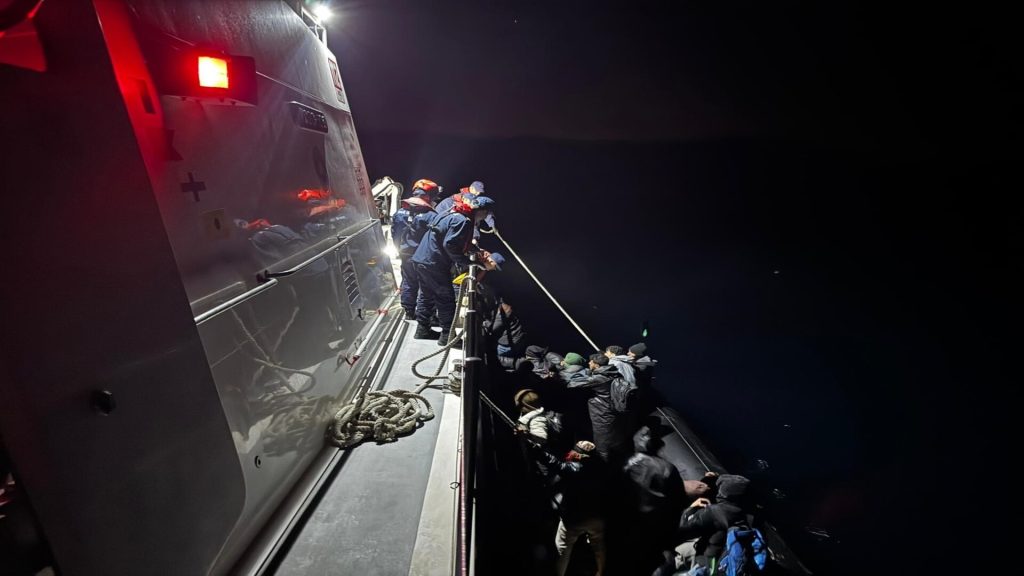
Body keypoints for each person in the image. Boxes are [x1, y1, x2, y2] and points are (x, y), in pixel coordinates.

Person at [410, 195, 496, 345]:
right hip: (434, 263)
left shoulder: (452, 213)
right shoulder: (463, 221)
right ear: (481, 211)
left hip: (421, 258)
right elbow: (449, 244)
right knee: (446, 299)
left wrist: (475, 250)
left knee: (426, 294)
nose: (484, 218)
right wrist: (468, 263)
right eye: (485, 214)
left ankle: (422, 329)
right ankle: (447, 337)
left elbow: (452, 238)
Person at [529, 440, 607, 576]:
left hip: (574, 518)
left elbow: (554, 463)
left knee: (562, 549)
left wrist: (537, 450)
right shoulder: (602, 467)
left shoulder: (574, 469)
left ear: (578, 454)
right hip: (596, 516)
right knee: (600, 549)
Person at [622, 425, 685, 575]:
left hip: (625, 524)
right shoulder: (668, 469)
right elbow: (677, 505)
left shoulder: (627, 463)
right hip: (649, 529)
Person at [672, 474, 753, 573]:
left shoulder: (714, 512)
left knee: (669, 555)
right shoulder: (743, 513)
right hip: (716, 561)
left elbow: (682, 532)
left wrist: (690, 509)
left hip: (702, 561)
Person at [566, 353, 627, 462]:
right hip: (611, 410)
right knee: (611, 439)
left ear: (597, 365)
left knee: (602, 444)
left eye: (591, 362)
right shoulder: (613, 373)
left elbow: (572, 384)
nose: (589, 363)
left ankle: (603, 466)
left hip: (602, 414)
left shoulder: (599, 378)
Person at [391, 186, 436, 320]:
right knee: (425, 284)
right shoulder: (430, 216)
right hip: (422, 256)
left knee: (408, 280)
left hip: (405, 253)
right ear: (426, 198)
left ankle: (408, 311)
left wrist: (399, 248)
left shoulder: (399, 213)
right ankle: (425, 315)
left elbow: (395, 234)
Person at [486, 299, 526, 370]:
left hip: (510, 345)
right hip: (520, 340)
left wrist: (485, 322)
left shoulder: (502, 311)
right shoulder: (511, 306)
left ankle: (516, 362)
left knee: (490, 355)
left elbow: (493, 328)